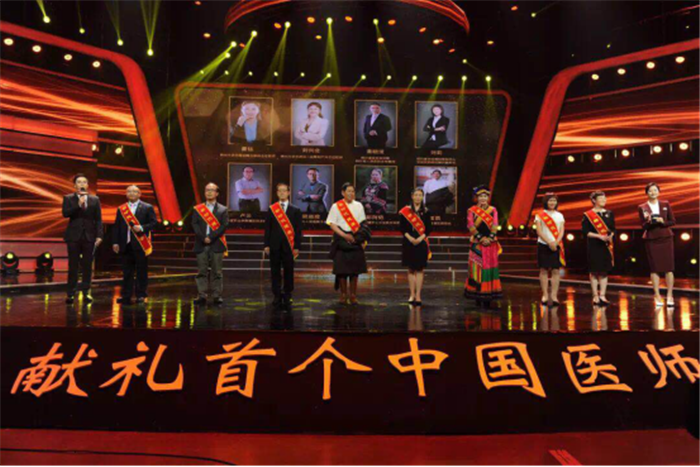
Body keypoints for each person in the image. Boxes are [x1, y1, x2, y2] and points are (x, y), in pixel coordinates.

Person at [111, 185, 158, 305]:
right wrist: (115, 242)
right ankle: (126, 295)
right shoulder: (121, 209)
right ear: (126, 194)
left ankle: (141, 295)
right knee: (127, 272)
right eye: (129, 191)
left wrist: (142, 227)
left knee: (141, 271)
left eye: (134, 191)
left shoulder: (147, 207)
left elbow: (154, 223)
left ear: (139, 194)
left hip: (140, 244)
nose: (132, 193)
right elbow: (117, 226)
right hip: (125, 244)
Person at [326, 183, 371, 304]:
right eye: (348, 191)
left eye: (353, 191)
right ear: (343, 193)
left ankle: (353, 295)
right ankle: (343, 295)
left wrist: (359, 239)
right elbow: (332, 224)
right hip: (341, 238)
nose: (351, 193)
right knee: (342, 270)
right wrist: (344, 235)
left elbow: (362, 224)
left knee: (355, 270)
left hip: (355, 238)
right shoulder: (336, 206)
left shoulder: (359, 206)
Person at [62, 174, 103, 304]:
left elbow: (98, 219)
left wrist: (99, 235)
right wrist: (78, 205)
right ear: (75, 185)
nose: (82, 184)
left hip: (89, 236)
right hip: (73, 236)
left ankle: (86, 292)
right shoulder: (68, 198)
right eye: (79, 182)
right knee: (73, 266)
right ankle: (71, 293)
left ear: (87, 185)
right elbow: (65, 213)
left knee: (87, 266)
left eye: (84, 182)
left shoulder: (95, 199)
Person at [264, 183, 303, 309]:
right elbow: (268, 228)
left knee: (288, 271)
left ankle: (287, 294)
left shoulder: (295, 210)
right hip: (274, 246)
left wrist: (297, 246)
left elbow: (298, 230)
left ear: (289, 193)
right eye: (279, 191)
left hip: (289, 246)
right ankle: (276, 295)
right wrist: (266, 244)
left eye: (284, 191)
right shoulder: (272, 209)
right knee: (275, 271)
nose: (282, 193)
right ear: (277, 193)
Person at [638, 182, 676, 307]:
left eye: (655, 190)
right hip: (651, 239)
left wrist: (662, 221)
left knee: (668, 268)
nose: (653, 192)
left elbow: (673, 221)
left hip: (666, 238)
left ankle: (669, 295)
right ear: (646, 193)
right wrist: (649, 222)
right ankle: (657, 295)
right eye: (650, 191)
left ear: (659, 192)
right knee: (654, 268)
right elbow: (643, 225)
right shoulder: (642, 207)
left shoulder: (665, 204)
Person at [464, 185, 502, 307]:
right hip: (477, 243)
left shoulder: (493, 210)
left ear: (488, 198)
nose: (483, 199)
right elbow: (470, 226)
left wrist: (490, 238)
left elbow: (495, 225)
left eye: (485, 196)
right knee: (477, 269)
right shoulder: (471, 210)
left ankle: (489, 293)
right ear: (477, 198)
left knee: (489, 267)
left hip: (491, 243)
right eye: (481, 196)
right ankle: (477, 294)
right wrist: (481, 238)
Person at [193, 183, 229, 305]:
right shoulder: (198, 209)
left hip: (216, 243)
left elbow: (224, 226)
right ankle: (201, 295)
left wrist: (211, 237)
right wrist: (203, 238)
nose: (209, 192)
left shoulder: (223, 209)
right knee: (201, 271)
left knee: (217, 272)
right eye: (207, 190)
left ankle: (216, 295)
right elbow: (194, 224)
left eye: (212, 190)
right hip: (201, 243)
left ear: (217, 193)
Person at [582, 190, 615, 306]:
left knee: (604, 271)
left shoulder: (609, 213)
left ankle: (603, 296)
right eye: (600, 198)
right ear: (594, 200)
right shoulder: (588, 215)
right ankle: (595, 296)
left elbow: (613, 229)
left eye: (604, 198)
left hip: (606, 245)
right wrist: (599, 236)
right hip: (594, 245)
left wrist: (610, 236)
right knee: (594, 271)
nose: (603, 200)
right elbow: (585, 231)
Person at [399, 188, 432, 305]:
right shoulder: (405, 211)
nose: (418, 197)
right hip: (409, 242)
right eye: (416, 195)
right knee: (411, 269)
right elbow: (402, 228)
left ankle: (418, 295)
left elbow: (428, 229)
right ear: (412, 196)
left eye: (420, 195)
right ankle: (412, 294)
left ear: (422, 197)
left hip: (421, 242)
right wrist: (411, 239)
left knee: (420, 269)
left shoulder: (426, 211)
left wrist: (419, 239)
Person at [535, 192, 565, 306]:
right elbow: (539, 231)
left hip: (556, 245)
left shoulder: (560, 215)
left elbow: (561, 231)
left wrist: (556, 242)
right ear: (546, 202)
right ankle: (545, 295)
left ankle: (554, 295)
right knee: (543, 270)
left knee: (555, 270)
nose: (552, 203)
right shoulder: (540, 215)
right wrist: (549, 242)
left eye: (554, 201)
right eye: (550, 200)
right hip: (543, 244)